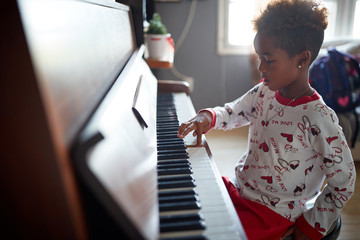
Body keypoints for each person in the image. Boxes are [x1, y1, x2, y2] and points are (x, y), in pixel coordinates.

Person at [177, 0, 356, 239]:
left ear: (302, 59)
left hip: (273, 213)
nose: (260, 67)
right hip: (239, 190)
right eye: (259, 57)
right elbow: (233, 112)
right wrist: (207, 117)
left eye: (268, 60)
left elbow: (344, 181)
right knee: (190, 198)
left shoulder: (319, 118)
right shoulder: (264, 92)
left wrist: (314, 224)